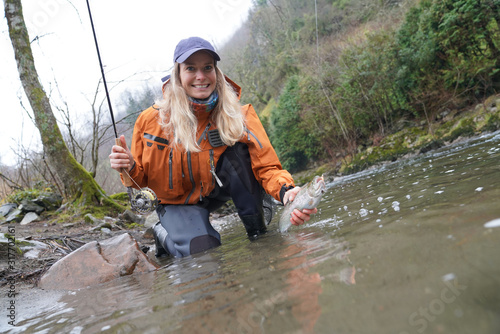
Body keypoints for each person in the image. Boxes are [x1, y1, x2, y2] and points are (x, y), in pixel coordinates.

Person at [109, 36, 318, 258]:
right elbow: (140, 181)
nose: (200, 76)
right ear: (178, 75)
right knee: (203, 254)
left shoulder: (238, 114)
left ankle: (259, 239)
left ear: (216, 73)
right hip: (175, 203)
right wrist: (129, 166)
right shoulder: (150, 120)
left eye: (207, 67)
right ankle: (163, 232)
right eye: (191, 68)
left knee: (238, 152)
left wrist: (287, 192)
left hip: (212, 191)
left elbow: (267, 167)